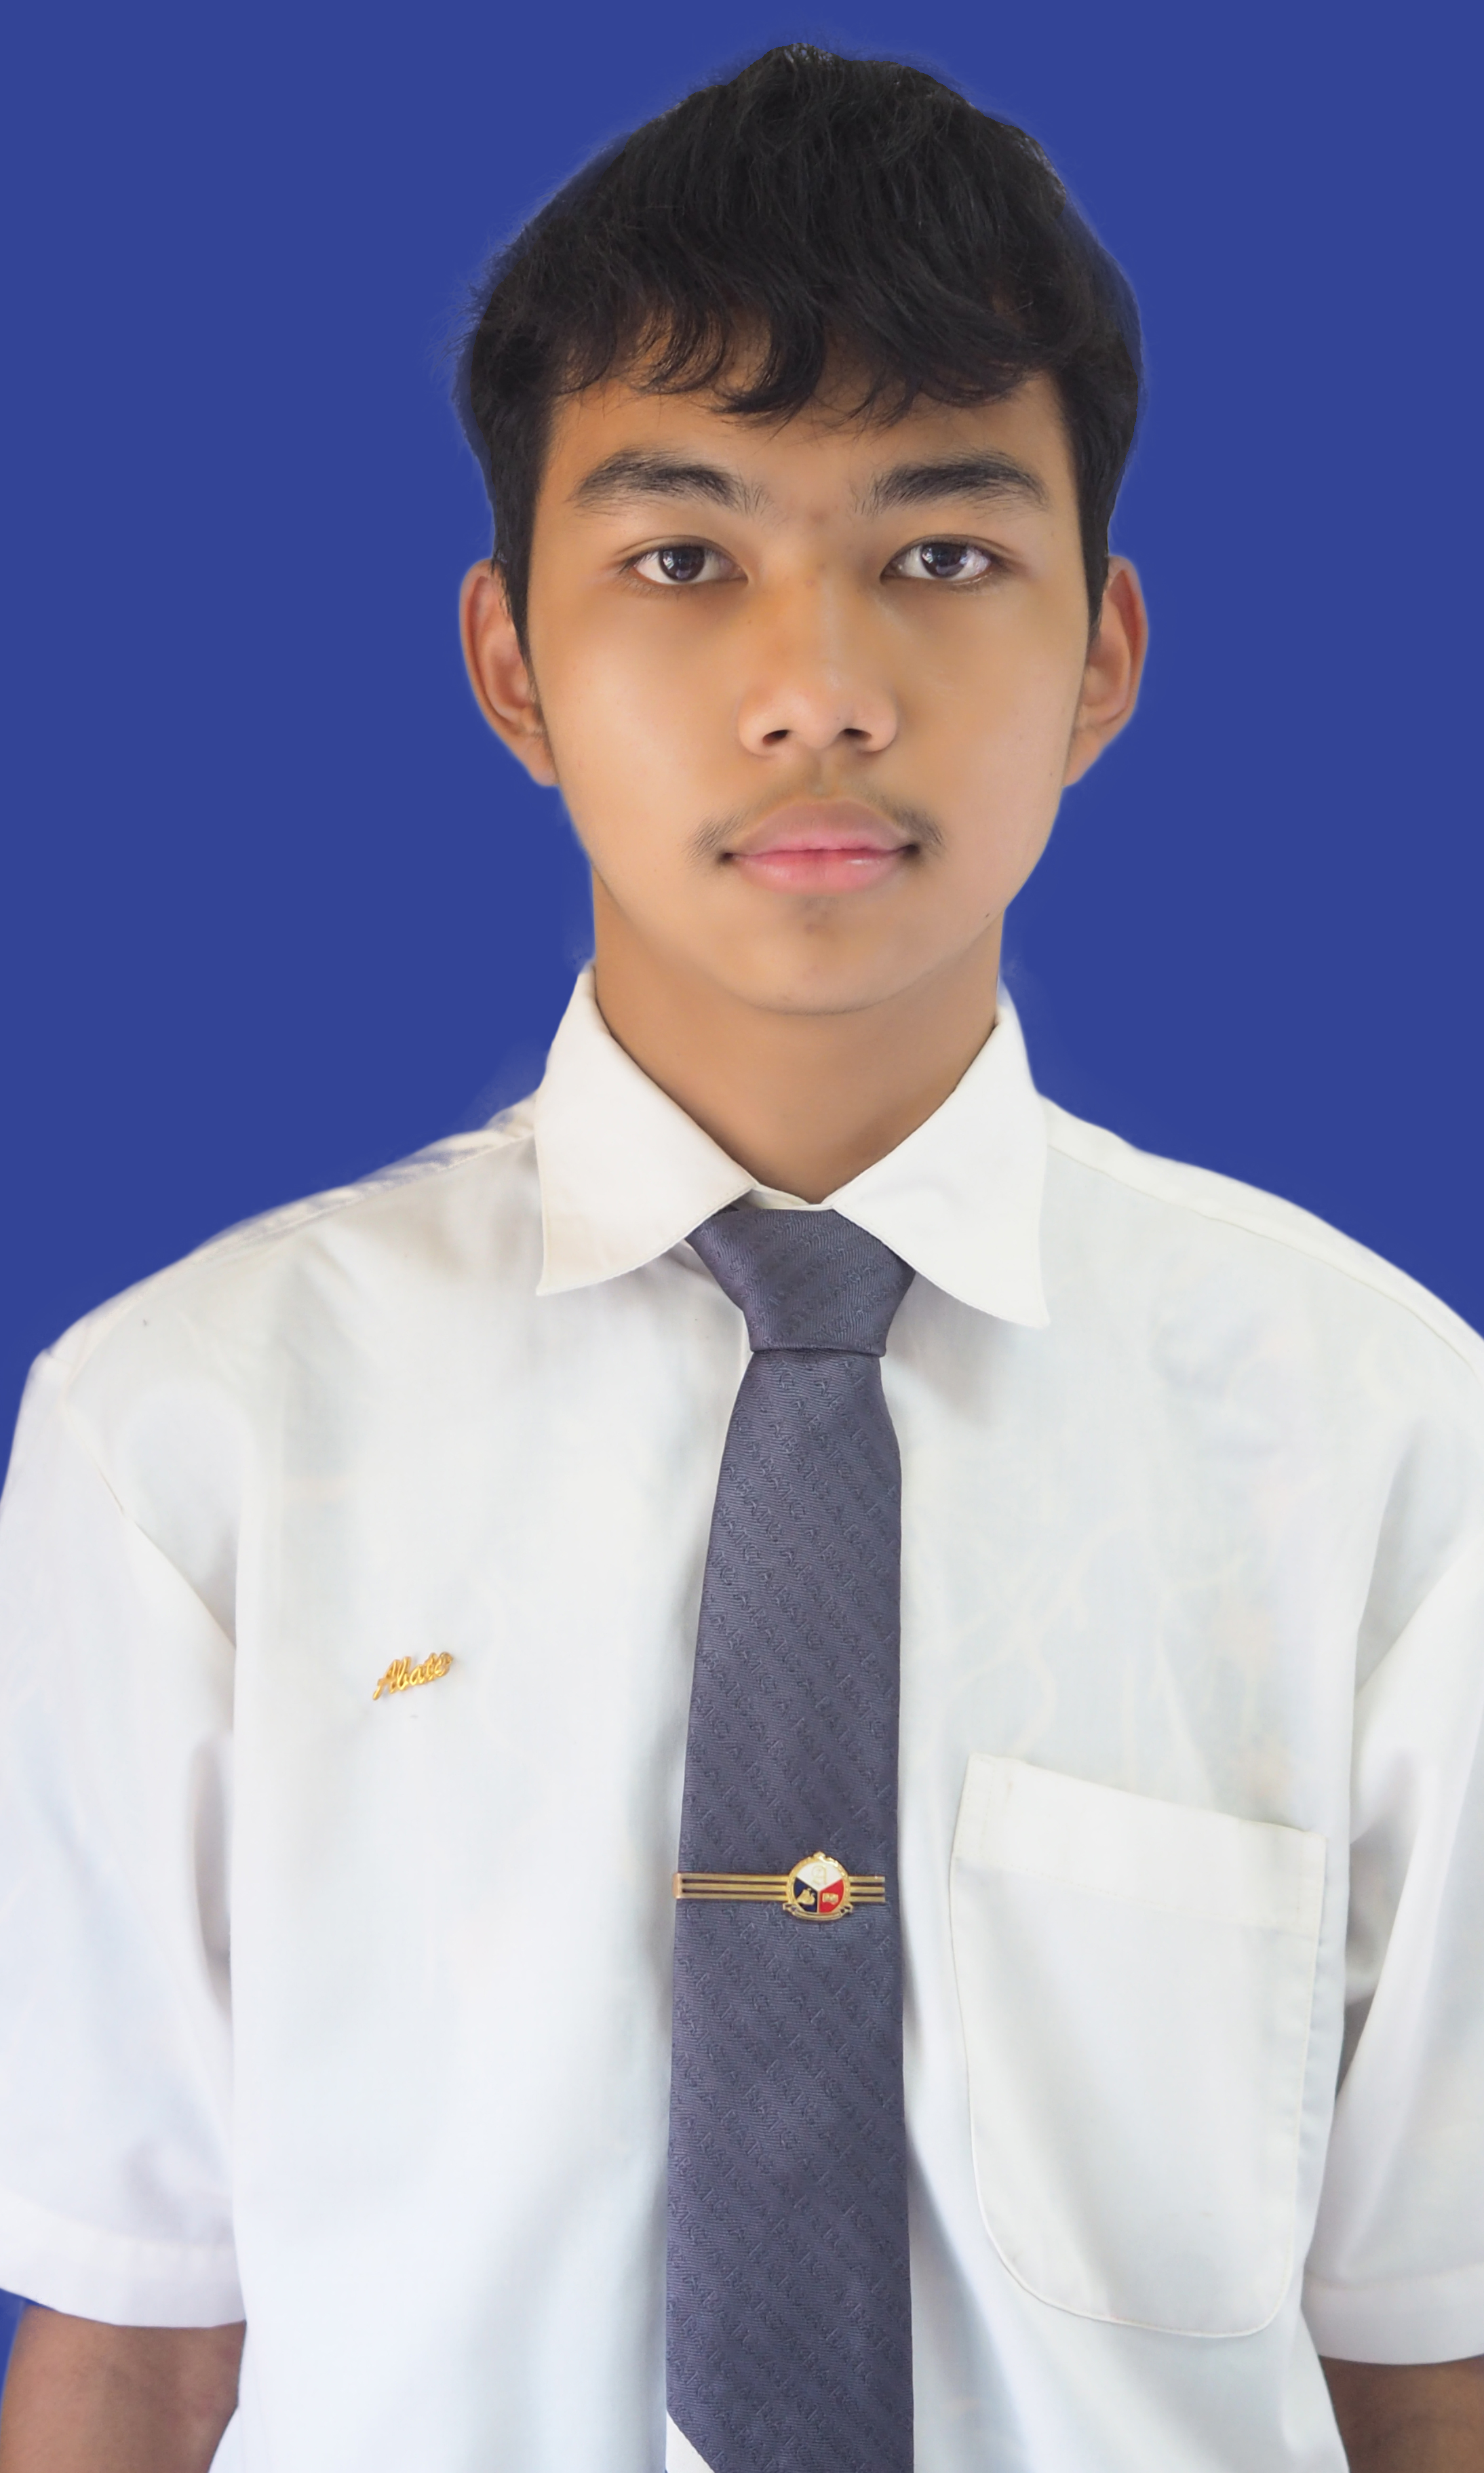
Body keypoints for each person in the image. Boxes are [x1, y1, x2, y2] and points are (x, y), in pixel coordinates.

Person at [0, 41, 1479, 2473]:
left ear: (1104, 656)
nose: (820, 691)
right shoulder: (191, 1435)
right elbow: (143, 2349)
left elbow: (1421, 2359)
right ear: (512, 666)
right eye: (683, 560)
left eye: (942, 554)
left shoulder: (1382, 1439)